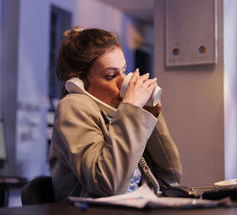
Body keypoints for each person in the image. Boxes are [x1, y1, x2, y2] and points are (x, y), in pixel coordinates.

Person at [49, 27, 182, 201]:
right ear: (79, 81)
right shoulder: (73, 106)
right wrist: (132, 110)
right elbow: (109, 186)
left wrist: (151, 117)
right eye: (111, 75)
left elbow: (171, 180)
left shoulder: (122, 115)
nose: (123, 83)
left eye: (124, 71)